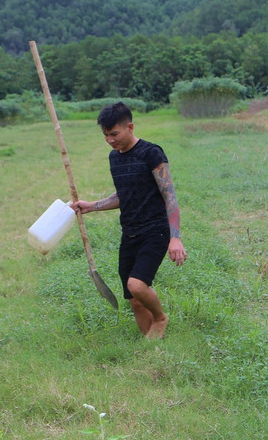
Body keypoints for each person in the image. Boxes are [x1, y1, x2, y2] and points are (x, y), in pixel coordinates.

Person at [71, 102, 186, 339]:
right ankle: (150, 344)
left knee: (137, 285)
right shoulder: (115, 158)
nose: (110, 140)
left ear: (130, 127)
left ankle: (161, 317)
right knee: (133, 299)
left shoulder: (151, 153)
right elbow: (124, 195)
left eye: (114, 134)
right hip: (130, 232)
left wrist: (175, 239)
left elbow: (170, 196)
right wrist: (92, 206)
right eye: (105, 135)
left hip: (156, 231)